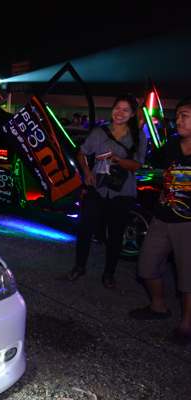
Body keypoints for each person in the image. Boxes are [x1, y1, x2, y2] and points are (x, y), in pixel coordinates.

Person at [65, 95, 146, 288]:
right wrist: (86, 173)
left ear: (132, 114)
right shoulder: (99, 132)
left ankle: (109, 274)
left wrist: (118, 159)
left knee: (115, 235)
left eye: (125, 110)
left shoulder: (138, 136)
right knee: (85, 229)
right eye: (117, 108)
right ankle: (79, 266)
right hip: (97, 188)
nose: (120, 113)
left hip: (122, 192)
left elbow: (137, 165)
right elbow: (82, 153)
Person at [129, 97, 191, 346]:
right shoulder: (172, 144)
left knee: (187, 277)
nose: (179, 120)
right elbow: (149, 165)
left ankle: (187, 324)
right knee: (146, 266)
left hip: (187, 224)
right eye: (178, 115)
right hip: (162, 217)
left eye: (185, 116)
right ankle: (158, 306)